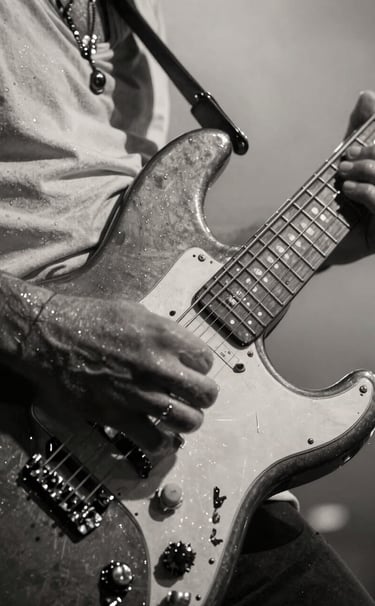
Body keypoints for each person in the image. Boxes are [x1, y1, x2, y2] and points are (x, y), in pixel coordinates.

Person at [0, 1, 374, 605]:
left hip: (176, 479)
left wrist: (335, 226)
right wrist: (45, 332)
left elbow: (146, 257)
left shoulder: (138, 14)